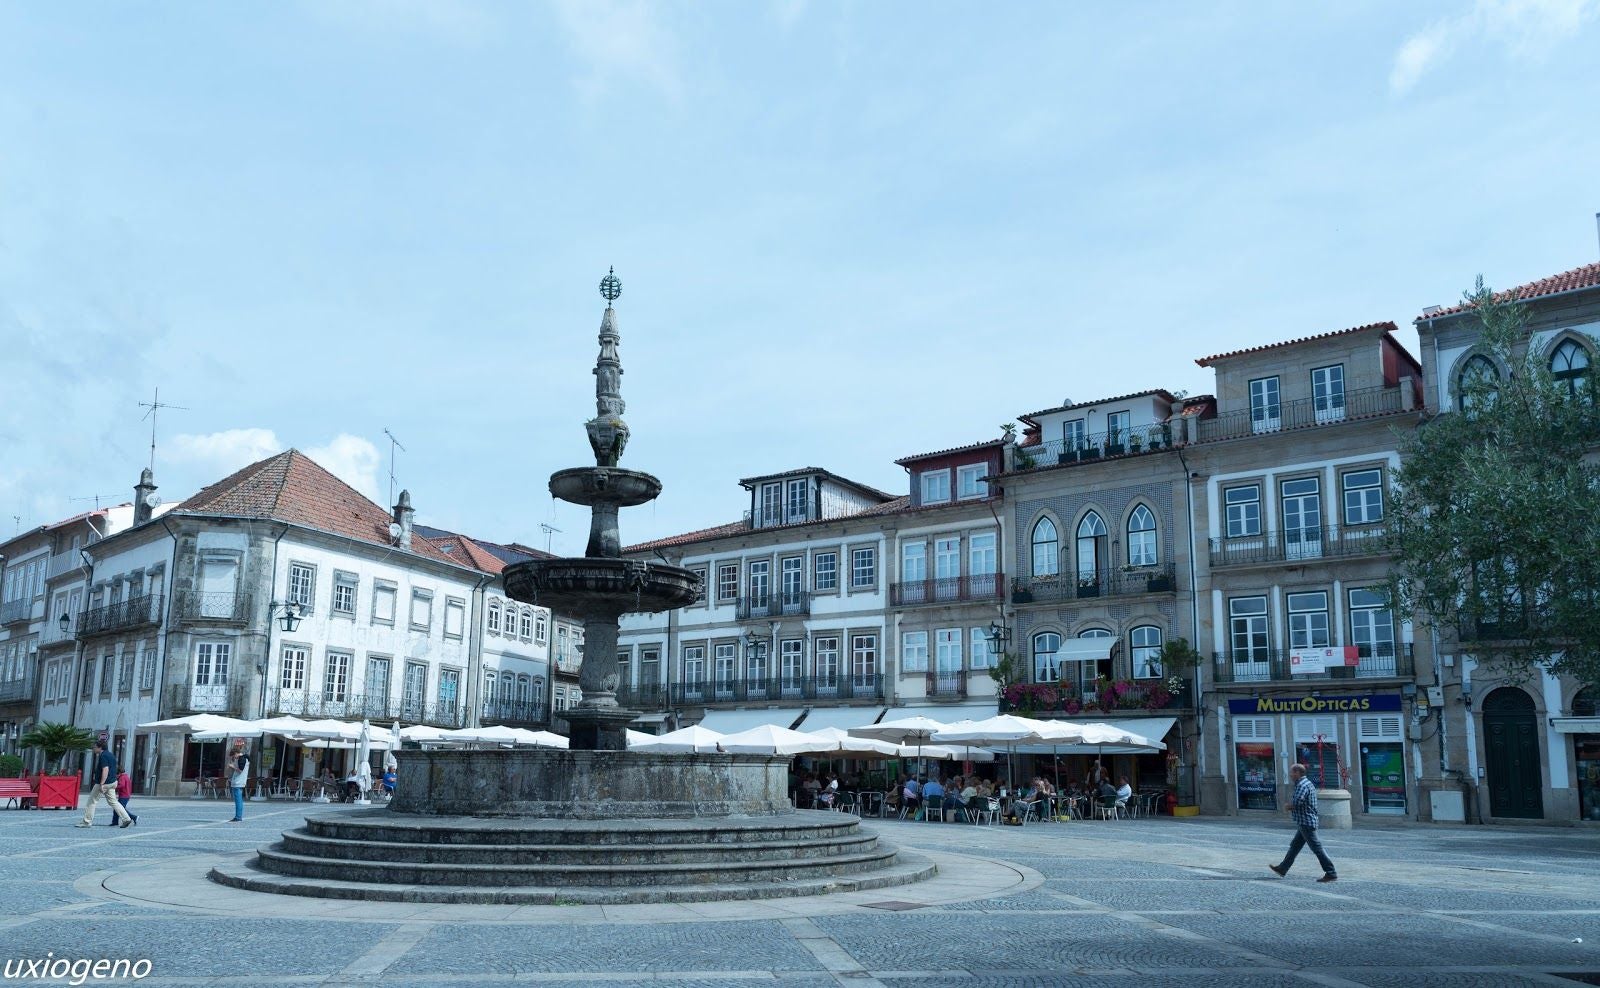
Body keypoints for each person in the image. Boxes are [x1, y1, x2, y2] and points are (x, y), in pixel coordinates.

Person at [1269, 763, 1337, 883]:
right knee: (1295, 846)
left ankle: (1331, 872)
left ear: (1297, 773)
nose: (1290, 775)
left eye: (1291, 772)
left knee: (1317, 848)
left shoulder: (1302, 785)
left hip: (1306, 821)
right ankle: (1282, 868)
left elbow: (1298, 802)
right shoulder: (1306, 783)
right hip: (1304, 821)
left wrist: (1287, 806)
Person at [78, 740, 133, 829]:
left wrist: (102, 784)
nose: (93, 748)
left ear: (100, 747)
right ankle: (126, 818)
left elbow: (105, 769)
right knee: (113, 802)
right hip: (113, 782)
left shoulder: (103, 756)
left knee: (91, 801)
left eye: (95, 747)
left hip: (104, 783)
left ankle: (86, 822)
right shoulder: (111, 755)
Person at [226, 740, 249, 822]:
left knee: (238, 801)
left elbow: (240, 770)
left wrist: (232, 766)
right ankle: (238, 816)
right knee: (239, 801)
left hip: (238, 782)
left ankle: (238, 817)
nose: (234, 758)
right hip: (239, 782)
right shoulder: (244, 758)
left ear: (236, 753)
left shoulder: (241, 759)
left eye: (234, 756)